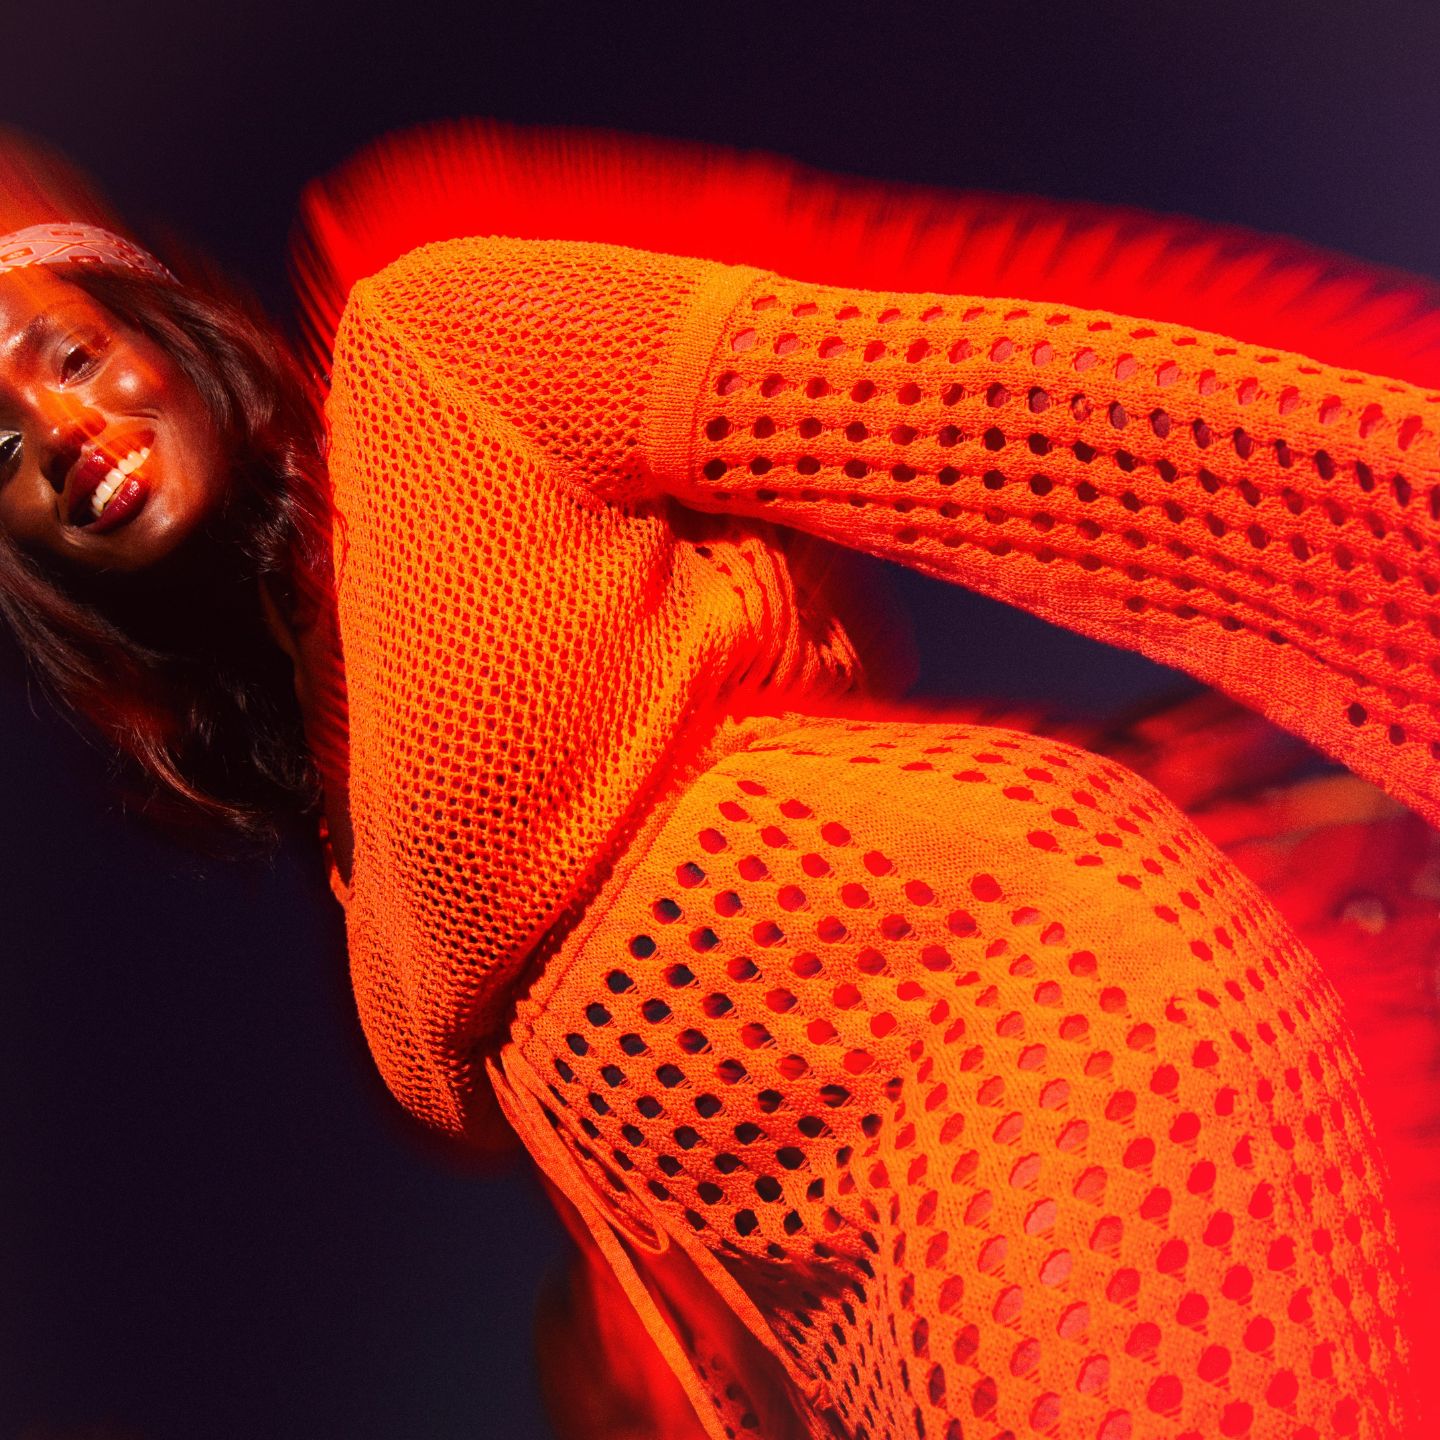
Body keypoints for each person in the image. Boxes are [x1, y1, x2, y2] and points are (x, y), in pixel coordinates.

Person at [2, 121, 1434, 1438]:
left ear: (164, 327)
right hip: (871, 1293)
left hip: (1039, 1053)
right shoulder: (337, 790)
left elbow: (980, 401)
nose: (63, 432)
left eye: (69, 354)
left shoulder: (433, 359)